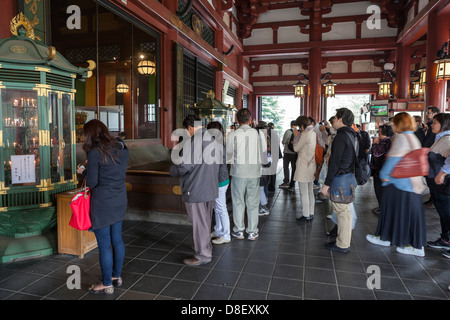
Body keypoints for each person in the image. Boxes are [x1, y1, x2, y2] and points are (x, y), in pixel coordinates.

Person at [77, 119, 129, 295]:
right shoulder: (122, 147)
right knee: (117, 240)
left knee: (105, 244)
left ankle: (106, 282)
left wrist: (83, 172)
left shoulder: (95, 153)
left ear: (90, 135)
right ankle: (116, 276)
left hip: (103, 203)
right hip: (120, 199)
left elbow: (92, 182)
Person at [366, 112, 427, 257]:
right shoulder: (413, 137)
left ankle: (392, 239)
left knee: (391, 211)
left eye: (394, 122)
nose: (392, 125)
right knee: (407, 214)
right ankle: (395, 240)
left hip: (399, 183)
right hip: (411, 183)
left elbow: (393, 161)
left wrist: (384, 176)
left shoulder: (401, 138)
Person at [170, 115, 220, 265]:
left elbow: (184, 166)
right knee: (205, 221)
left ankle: (203, 255)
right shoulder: (212, 139)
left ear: (190, 127)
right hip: (209, 187)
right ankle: (204, 246)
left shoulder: (195, 142)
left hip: (196, 188)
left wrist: (172, 169)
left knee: (199, 223)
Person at [320, 108, 358, 253]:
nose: (333, 121)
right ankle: (344, 241)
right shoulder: (352, 135)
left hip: (340, 177)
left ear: (341, 119)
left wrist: (327, 183)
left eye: (335, 118)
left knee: (342, 212)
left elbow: (334, 162)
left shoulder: (341, 137)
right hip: (348, 175)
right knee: (345, 211)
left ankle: (342, 244)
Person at [227, 108, 266, 241]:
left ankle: (239, 231)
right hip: (254, 173)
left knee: (238, 202)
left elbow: (228, 156)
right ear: (250, 120)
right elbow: (263, 153)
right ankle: (252, 231)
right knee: (253, 202)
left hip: (238, 172)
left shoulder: (232, 135)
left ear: (237, 120)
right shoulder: (259, 134)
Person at [425, 113, 450, 253]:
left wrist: (442, 173)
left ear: (444, 124)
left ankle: (447, 240)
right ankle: (444, 238)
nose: (432, 124)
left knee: (446, 212)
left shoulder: (447, 139)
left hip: (443, 184)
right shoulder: (439, 138)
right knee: (443, 212)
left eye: (435, 122)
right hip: (436, 184)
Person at [207, 122, 231, 245]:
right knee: (217, 207)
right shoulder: (219, 144)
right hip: (222, 179)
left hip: (219, 181)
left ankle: (226, 235)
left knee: (221, 208)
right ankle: (218, 230)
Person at [292, 116, 317, 222]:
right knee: (310, 191)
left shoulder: (305, 134)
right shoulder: (313, 132)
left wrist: (296, 137)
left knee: (304, 192)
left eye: (299, 126)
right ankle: (311, 213)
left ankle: (305, 214)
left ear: (302, 125)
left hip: (303, 166)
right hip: (311, 164)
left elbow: (295, 148)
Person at [369, 124, 394, 215]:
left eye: (379, 131)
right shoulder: (385, 141)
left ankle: (383, 209)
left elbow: (375, 153)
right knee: (379, 191)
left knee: (380, 191)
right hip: (379, 171)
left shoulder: (386, 142)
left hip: (381, 171)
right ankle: (382, 207)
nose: (377, 133)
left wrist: (374, 143)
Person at [280, 121, 298, 190]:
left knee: (286, 167)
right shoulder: (298, 132)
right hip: (295, 153)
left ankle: (286, 181)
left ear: (291, 125)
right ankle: (292, 182)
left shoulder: (288, 131)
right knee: (294, 168)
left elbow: (284, 141)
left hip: (287, 152)